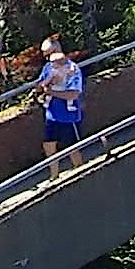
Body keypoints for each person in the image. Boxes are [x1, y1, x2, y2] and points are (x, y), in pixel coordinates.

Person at [38, 37, 86, 171]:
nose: (46, 58)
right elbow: (40, 84)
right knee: (49, 144)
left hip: (68, 115)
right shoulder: (48, 67)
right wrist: (44, 85)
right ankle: (54, 175)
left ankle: (79, 170)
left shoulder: (73, 69)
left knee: (72, 147)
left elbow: (74, 94)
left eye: (48, 54)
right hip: (51, 115)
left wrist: (52, 93)